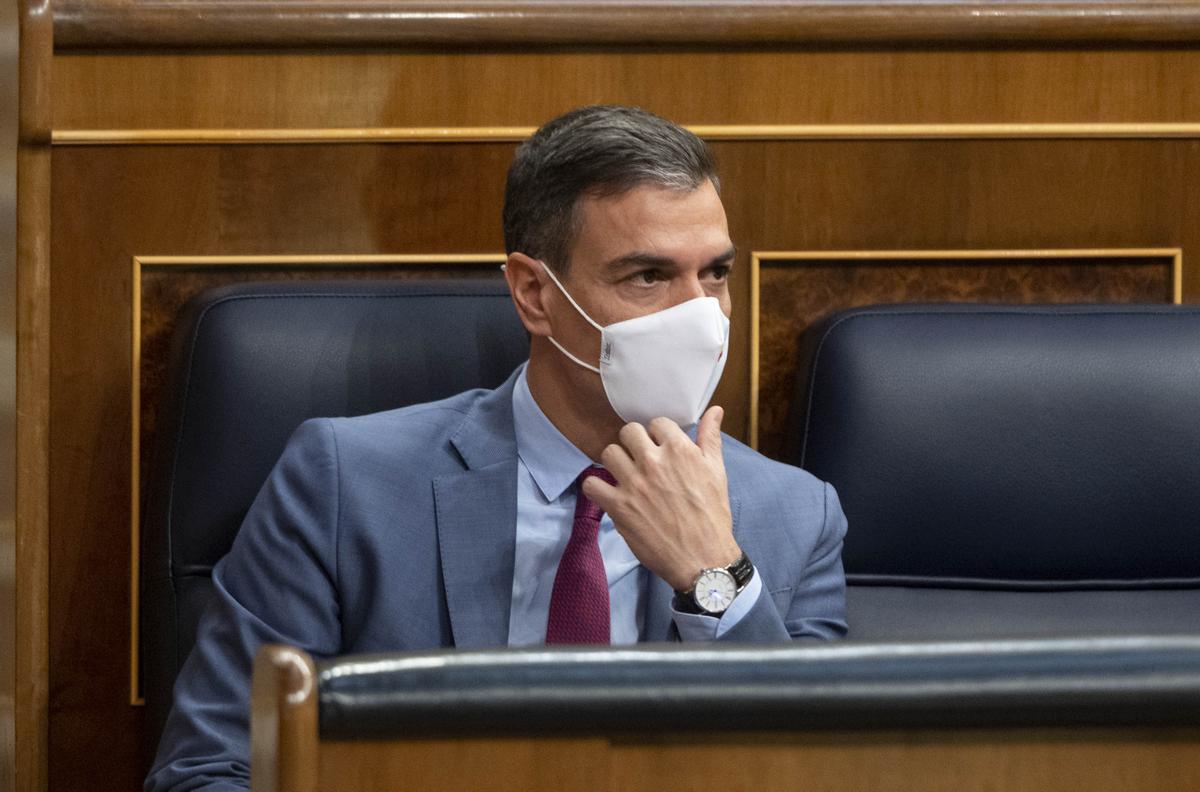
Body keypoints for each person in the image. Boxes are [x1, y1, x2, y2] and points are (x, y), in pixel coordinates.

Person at [145, 104, 847, 791]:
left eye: (715, 274)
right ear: (535, 295)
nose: (700, 315)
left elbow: (823, 775)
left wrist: (713, 577)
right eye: (649, 276)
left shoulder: (794, 516)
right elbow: (210, 769)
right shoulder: (343, 485)